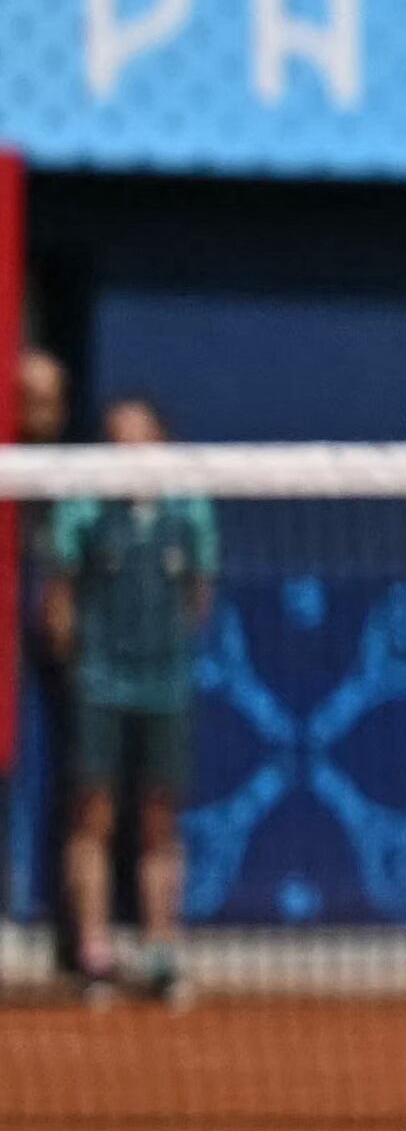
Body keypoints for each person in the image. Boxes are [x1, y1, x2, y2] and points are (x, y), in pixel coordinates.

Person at [43, 392, 210, 1003]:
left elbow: (198, 597)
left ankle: (163, 951)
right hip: (100, 685)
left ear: (163, 441)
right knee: (94, 815)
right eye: (117, 437)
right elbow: (59, 601)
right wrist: (87, 669)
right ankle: (94, 953)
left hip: (166, 684)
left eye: (140, 436)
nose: (128, 449)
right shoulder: (84, 508)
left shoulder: (189, 510)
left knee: (160, 818)